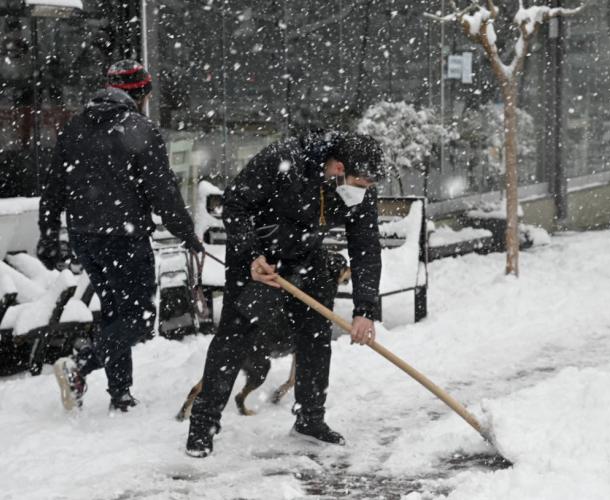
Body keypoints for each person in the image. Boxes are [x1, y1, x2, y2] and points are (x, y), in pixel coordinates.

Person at [185, 131, 384, 457]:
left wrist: (365, 309)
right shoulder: (286, 160)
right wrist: (251, 255)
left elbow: (365, 247)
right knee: (235, 334)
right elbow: (235, 202)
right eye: (360, 184)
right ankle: (202, 427)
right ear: (338, 168)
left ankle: (310, 419)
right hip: (259, 258)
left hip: (307, 256)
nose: (364, 192)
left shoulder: (360, 190)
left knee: (317, 333)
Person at [37, 60, 203, 412]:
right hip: (124, 239)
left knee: (114, 312)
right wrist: (187, 234)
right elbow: (163, 192)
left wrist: (49, 233)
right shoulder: (139, 129)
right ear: (140, 93)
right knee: (139, 319)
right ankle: (80, 366)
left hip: (85, 236)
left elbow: (53, 188)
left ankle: (120, 394)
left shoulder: (74, 128)